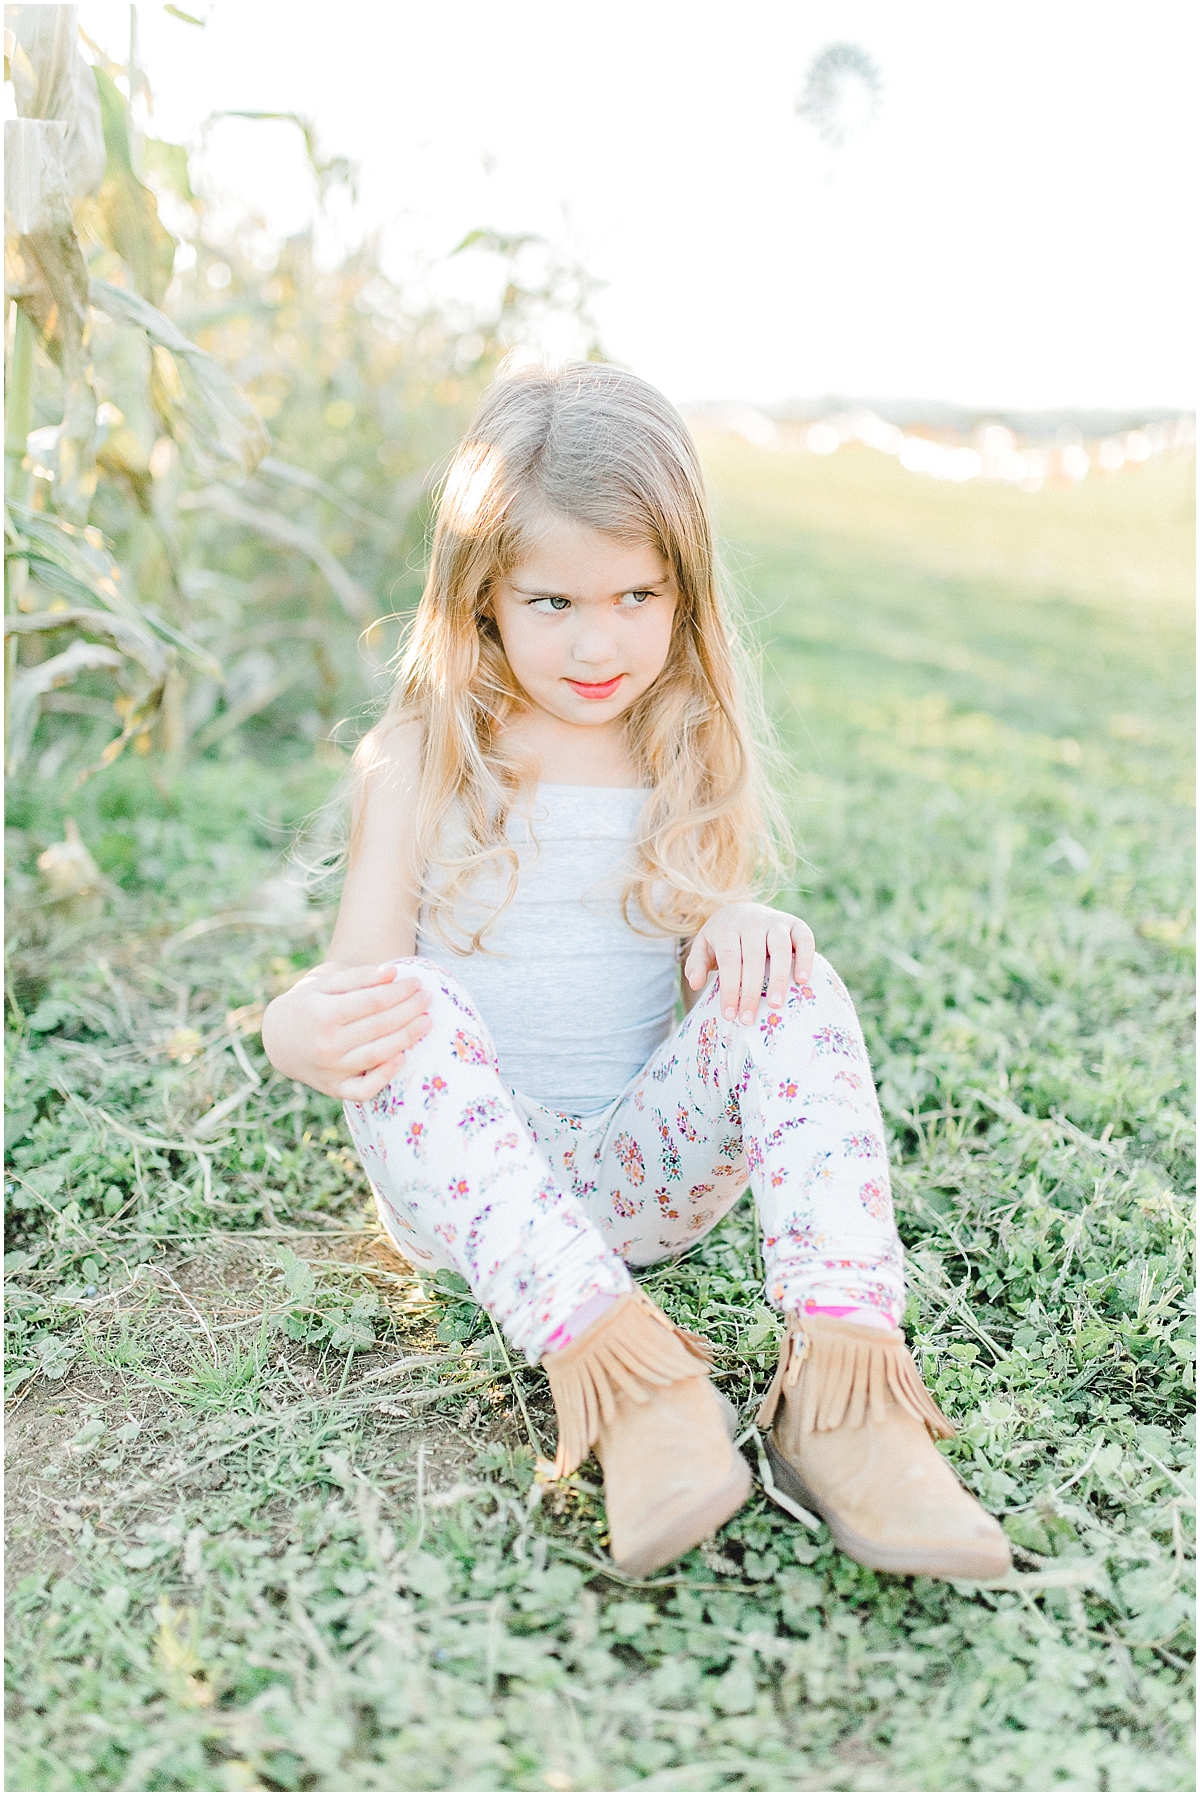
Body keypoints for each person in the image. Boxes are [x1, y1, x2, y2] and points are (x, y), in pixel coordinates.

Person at [262, 362, 1010, 1582]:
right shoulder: (418, 756)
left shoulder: (680, 748)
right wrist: (299, 1025)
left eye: (635, 594)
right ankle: (634, 1385)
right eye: (551, 599)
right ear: (482, 596)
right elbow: (362, 995)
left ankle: (846, 1389)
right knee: (420, 1006)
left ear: (684, 591)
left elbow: (699, 945)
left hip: (634, 1175)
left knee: (794, 978)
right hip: (471, 1190)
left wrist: (742, 929)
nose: (597, 639)